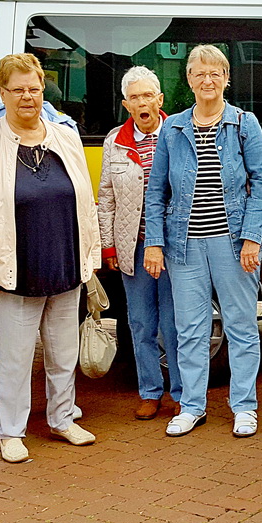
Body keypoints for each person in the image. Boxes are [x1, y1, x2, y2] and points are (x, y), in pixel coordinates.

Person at [0, 53, 101, 464]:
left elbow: (84, 204)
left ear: (44, 91)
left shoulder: (65, 137)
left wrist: (89, 257)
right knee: (15, 360)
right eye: (17, 90)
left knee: (62, 354)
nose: (27, 97)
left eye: (33, 89)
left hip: (66, 266)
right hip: (13, 272)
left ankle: (62, 418)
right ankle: (11, 430)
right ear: (2, 94)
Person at [143, 44, 262, 439]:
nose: (207, 80)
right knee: (189, 330)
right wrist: (154, 242)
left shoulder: (243, 123)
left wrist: (253, 236)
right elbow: (157, 191)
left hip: (233, 243)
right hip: (183, 245)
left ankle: (244, 407)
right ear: (188, 80)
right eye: (199, 73)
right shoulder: (173, 127)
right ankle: (193, 406)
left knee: (240, 326)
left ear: (226, 78)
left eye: (214, 73)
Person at [99, 66, 180, 420]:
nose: (142, 102)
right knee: (141, 323)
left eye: (148, 95)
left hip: (175, 246)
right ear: (125, 104)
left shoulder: (179, 134)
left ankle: (181, 391)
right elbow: (107, 196)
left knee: (176, 324)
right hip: (133, 244)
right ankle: (150, 392)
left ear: (160, 100)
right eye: (135, 97)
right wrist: (109, 246)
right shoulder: (115, 140)